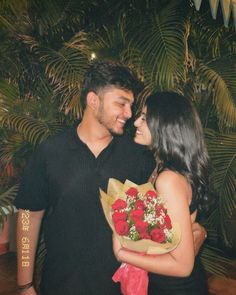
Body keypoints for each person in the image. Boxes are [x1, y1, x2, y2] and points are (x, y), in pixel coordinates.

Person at [15, 60, 206, 295]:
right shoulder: (50, 152)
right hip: (63, 285)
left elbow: (177, 205)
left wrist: (197, 230)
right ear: (93, 101)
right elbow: (28, 217)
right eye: (121, 103)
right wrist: (25, 284)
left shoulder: (142, 156)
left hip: (124, 287)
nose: (129, 113)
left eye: (131, 105)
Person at [112, 91, 209, 295]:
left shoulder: (168, 180)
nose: (136, 122)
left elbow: (183, 266)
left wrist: (122, 253)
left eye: (145, 118)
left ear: (165, 126)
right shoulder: (161, 169)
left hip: (175, 288)